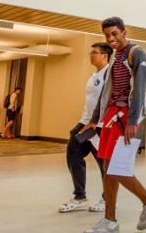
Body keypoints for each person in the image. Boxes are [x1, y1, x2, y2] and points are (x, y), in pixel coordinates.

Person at [81, 17, 146, 233]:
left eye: (114, 34)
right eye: (107, 35)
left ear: (124, 32)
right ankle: (110, 221)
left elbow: (138, 88)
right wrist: (94, 119)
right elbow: (106, 92)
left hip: (125, 116)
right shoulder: (115, 56)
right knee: (108, 168)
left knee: (117, 168)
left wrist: (132, 121)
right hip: (112, 115)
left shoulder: (136, 53)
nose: (111, 39)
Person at [59, 42, 111, 214]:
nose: (91, 55)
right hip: (86, 122)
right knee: (73, 151)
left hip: (101, 125)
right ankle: (80, 197)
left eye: (94, 52)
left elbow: (109, 101)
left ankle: (108, 199)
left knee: (104, 164)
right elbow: (90, 102)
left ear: (105, 55)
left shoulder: (109, 74)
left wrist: (97, 122)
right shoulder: (94, 75)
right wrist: (84, 121)